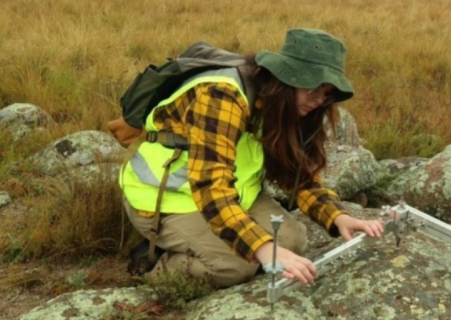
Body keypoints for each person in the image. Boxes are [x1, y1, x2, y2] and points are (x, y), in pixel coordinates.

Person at [118, 28, 385, 288]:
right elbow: (210, 186)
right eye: (313, 88)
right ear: (287, 77)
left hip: (236, 194)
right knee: (235, 266)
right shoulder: (221, 96)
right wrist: (261, 247)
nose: (318, 101)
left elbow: (296, 172)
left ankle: (209, 243)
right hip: (166, 199)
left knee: (291, 242)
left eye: (328, 94)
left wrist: (338, 217)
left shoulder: (283, 103)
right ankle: (154, 264)